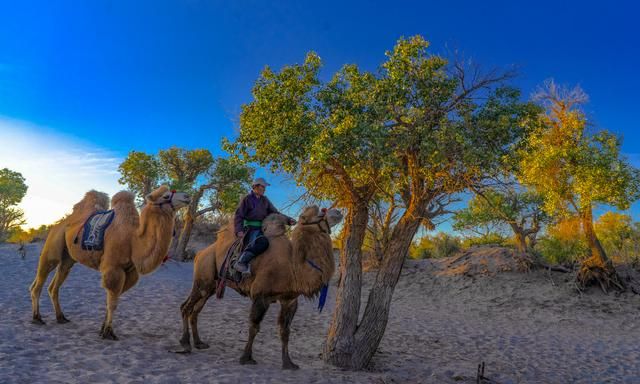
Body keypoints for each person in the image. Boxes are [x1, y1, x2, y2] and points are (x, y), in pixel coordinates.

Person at [233, 177, 296, 274]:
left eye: (265, 187)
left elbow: (275, 213)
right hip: (250, 229)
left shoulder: (265, 200)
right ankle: (241, 262)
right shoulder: (247, 199)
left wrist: (288, 220)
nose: (265, 189)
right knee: (262, 243)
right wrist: (239, 230)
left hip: (263, 229)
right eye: (263, 186)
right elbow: (239, 215)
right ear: (255, 186)